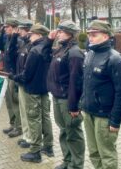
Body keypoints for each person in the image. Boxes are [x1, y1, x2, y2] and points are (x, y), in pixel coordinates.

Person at [81, 20, 121, 169]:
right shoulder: (90, 54)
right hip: (88, 113)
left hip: (104, 116)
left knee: (107, 154)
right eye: (89, 34)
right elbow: (86, 83)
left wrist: (115, 120)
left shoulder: (115, 59)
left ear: (106, 36)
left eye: (94, 34)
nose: (90, 37)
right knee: (93, 152)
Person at [10, 24, 54, 163]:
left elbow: (26, 75)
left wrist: (14, 77)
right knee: (45, 118)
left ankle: (35, 151)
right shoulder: (47, 48)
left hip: (33, 90)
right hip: (44, 89)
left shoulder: (35, 50)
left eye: (32, 34)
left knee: (34, 119)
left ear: (39, 35)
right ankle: (48, 146)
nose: (30, 36)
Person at [47, 20, 85, 169]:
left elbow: (76, 81)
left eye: (61, 31)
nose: (58, 34)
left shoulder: (75, 53)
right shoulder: (60, 49)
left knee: (73, 133)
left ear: (69, 34)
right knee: (64, 131)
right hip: (57, 97)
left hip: (67, 100)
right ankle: (68, 161)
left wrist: (74, 105)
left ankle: (76, 165)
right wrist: (49, 40)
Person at [0, 18, 22, 138]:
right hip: (7, 73)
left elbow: (13, 55)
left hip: (13, 75)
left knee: (14, 101)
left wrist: (14, 36)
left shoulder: (17, 40)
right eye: (5, 27)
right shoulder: (7, 39)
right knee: (8, 101)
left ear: (13, 28)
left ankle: (19, 126)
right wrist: (2, 33)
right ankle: (12, 123)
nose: (5, 29)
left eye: (7, 27)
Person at [15, 19, 33, 148]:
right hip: (21, 81)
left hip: (26, 83)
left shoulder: (31, 46)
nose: (19, 31)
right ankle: (26, 135)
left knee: (28, 112)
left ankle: (30, 138)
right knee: (23, 111)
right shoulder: (23, 44)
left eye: (21, 29)